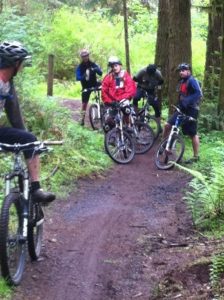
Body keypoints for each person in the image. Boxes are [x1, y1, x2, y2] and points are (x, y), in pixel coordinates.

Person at [0, 41, 55, 203]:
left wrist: (28, 140)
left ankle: (36, 188)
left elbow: (15, 116)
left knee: (29, 139)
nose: (22, 67)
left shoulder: (8, 84)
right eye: (21, 63)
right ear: (15, 63)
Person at [163, 62, 203, 164]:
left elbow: (198, 93)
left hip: (192, 110)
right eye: (180, 71)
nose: (181, 72)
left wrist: (187, 101)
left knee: (192, 133)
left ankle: (195, 156)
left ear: (188, 71)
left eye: (183, 70)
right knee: (167, 125)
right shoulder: (182, 81)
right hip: (182, 109)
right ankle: (165, 145)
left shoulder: (192, 80)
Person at [75, 49, 102, 126]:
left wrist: (96, 69)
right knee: (84, 103)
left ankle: (105, 111)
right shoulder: (80, 67)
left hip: (94, 84)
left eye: (86, 56)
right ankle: (82, 119)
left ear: (88, 56)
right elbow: (78, 77)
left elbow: (100, 73)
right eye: (83, 56)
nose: (85, 57)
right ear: (81, 57)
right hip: (86, 86)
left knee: (105, 90)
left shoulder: (93, 64)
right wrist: (84, 76)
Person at [133, 64, 164, 130]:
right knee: (135, 98)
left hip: (151, 90)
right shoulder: (142, 71)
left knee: (156, 106)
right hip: (141, 87)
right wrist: (142, 81)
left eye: (151, 73)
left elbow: (161, 81)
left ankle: (159, 125)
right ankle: (135, 113)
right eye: (148, 73)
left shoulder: (157, 73)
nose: (150, 74)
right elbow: (134, 79)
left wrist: (155, 84)